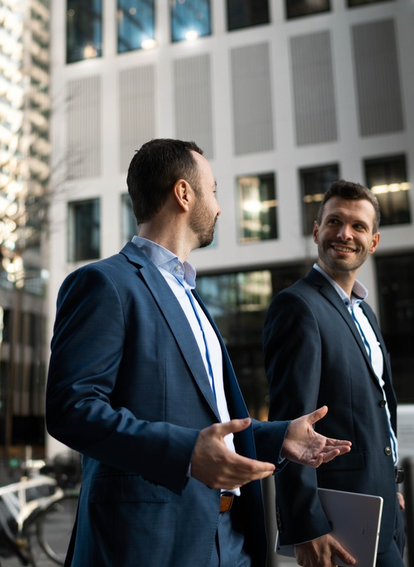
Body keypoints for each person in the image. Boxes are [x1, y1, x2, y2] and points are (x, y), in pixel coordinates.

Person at [46, 139, 352, 567]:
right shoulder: (104, 284)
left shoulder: (191, 296)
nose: (220, 208)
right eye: (213, 191)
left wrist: (278, 437)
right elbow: (71, 409)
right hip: (151, 545)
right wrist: (186, 453)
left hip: (230, 538)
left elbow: (205, 419)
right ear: (183, 193)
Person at [263, 180, 405, 567]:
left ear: (373, 242)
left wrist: (388, 481)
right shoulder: (297, 306)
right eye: (334, 222)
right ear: (316, 231)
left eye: (358, 226)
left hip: (384, 510)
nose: (345, 234)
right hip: (338, 523)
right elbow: (290, 423)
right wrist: (305, 526)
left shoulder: (365, 313)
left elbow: (376, 411)